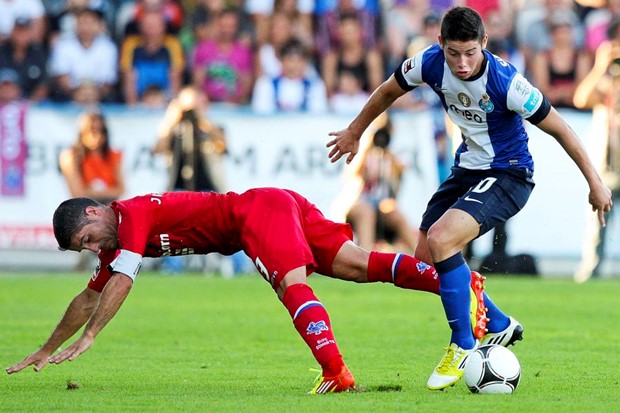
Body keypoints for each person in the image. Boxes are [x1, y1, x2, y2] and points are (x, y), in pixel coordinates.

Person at [326, 6, 613, 391]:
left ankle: (462, 343)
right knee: (426, 260)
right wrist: (355, 131)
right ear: (440, 43)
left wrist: (595, 182)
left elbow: (560, 127)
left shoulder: (507, 82)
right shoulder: (428, 63)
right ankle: (495, 320)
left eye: (470, 53)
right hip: (467, 170)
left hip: (509, 174)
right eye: (453, 53)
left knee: (444, 239)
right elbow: (389, 90)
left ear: (484, 44)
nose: (461, 64)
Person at [6, 187, 498, 394]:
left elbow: (122, 281)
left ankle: (338, 375)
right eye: (84, 250)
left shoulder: (129, 217)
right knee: (357, 265)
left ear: (94, 214)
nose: (93, 249)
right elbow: (91, 294)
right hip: (275, 203)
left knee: (292, 286)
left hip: (253, 215)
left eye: (87, 240)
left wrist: (90, 337)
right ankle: (457, 284)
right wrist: (48, 348)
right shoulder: (114, 243)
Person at [573, 17, 620, 282]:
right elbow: (582, 98)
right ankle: (590, 272)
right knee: (599, 221)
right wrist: (601, 65)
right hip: (608, 162)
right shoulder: (607, 80)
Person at [58, 109, 125, 270]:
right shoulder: (71, 156)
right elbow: (77, 192)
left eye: (100, 130)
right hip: (83, 208)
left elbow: (121, 188)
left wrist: (96, 193)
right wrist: (105, 193)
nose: (96, 134)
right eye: (91, 130)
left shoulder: (112, 155)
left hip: (106, 206)